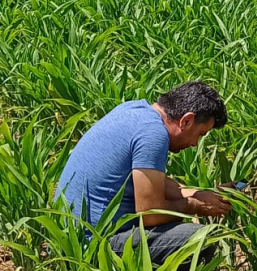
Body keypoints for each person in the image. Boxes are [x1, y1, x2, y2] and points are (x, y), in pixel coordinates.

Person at [55, 80, 231, 261]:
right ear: (186, 120)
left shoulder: (134, 110)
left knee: (173, 222)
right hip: (90, 246)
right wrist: (192, 206)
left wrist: (200, 195)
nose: (195, 144)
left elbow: (154, 183)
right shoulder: (154, 134)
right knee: (204, 237)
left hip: (67, 238)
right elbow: (151, 214)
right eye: (200, 134)